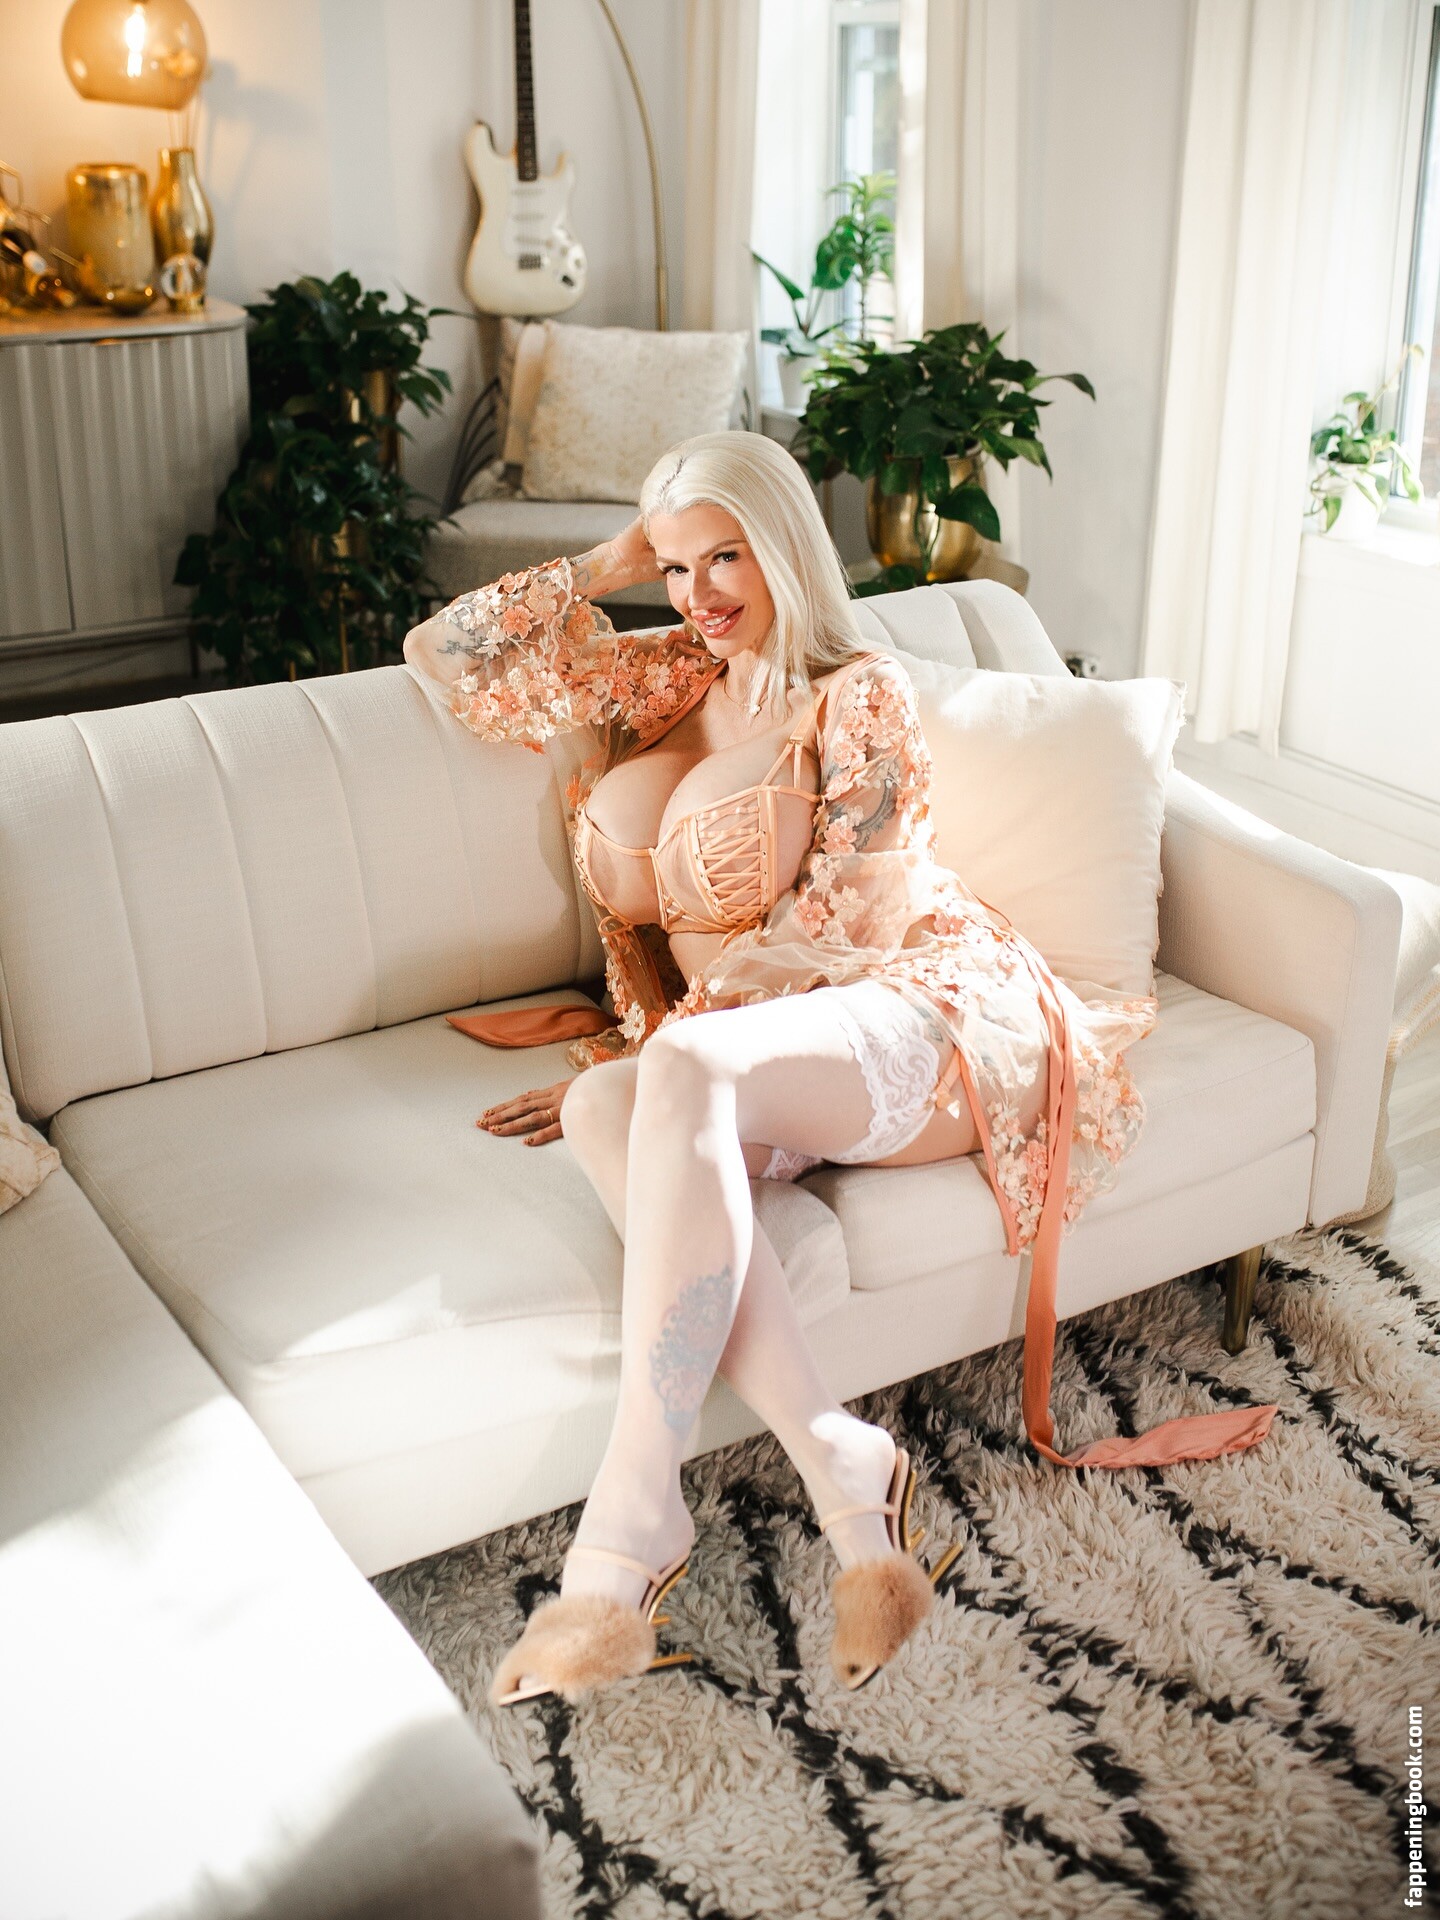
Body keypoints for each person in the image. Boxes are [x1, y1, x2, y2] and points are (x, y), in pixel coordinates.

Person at [402, 430, 1277, 1707]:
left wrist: (679, 1051)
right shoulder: (665, 675)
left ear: (785, 544)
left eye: (727, 555)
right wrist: (613, 560)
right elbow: (447, 655)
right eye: (679, 565)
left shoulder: (857, 692)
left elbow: (848, 924)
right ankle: (840, 1465)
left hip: (922, 1008)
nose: (700, 593)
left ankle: (631, 1521)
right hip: (745, 1048)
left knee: (670, 1074)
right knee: (602, 1099)